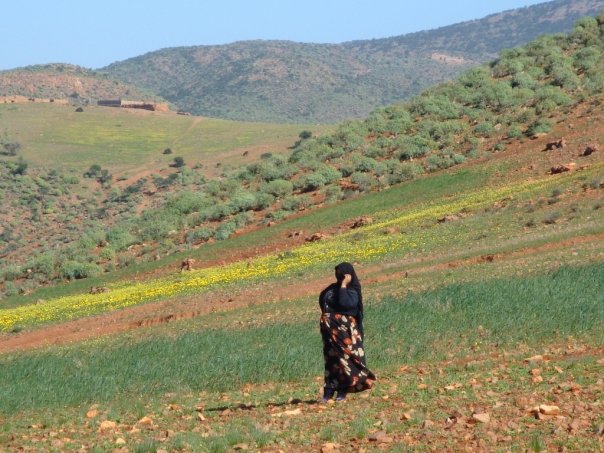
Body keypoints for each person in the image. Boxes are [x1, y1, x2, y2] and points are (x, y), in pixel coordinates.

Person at [319, 262, 376, 402]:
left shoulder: (352, 291)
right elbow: (323, 301)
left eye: (341, 273)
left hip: (343, 331)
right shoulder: (331, 289)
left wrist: (344, 285)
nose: (338, 276)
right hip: (329, 331)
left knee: (345, 358)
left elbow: (346, 304)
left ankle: (343, 389)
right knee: (331, 359)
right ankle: (329, 390)